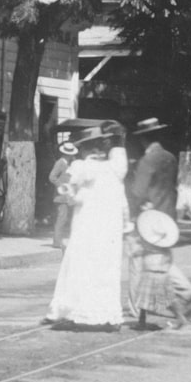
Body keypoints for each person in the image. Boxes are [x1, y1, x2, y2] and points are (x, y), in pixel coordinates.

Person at [45, 123, 129, 330]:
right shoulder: (113, 168)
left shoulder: (81, 167)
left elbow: (66, 188)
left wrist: (75, 197)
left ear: (85, 148)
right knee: (105, 271)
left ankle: (80, 312)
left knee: (81, 268)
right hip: (108, 230)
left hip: (86, 228)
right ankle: (105, 315)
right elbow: (123, 203)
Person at [126, 117, 191, 318]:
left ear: (143, 140)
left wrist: (130, 213)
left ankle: (136, 308)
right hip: (166, 216)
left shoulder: (147, 160)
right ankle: (187, 290)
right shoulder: (170, 157)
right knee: (161, 260)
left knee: (136, 260)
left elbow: (138, 192)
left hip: (146, 219)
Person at [129, 208, 188, 330]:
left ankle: (143, 321)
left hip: (152, 274)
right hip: (161, 274)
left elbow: (140, 252)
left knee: (146, 299)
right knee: (166, 299)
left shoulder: (150, 245)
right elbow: (168, 261)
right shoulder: (164, 248)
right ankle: (178, 316)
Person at [49, 142, 78, 249]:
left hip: (66, 196)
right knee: (61, 218)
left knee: (65, 218)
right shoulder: (60, 163)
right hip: (61, 196)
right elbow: (52, 177)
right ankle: (57, 242)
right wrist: (61, 186)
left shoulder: (67, 163)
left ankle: (60, 240)